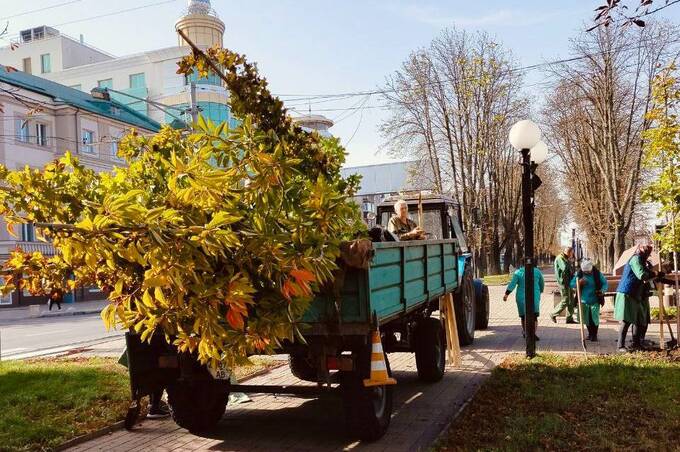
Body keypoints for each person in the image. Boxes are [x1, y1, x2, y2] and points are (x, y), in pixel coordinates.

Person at [615, 244, 657, 352]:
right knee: (627, 320)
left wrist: (655, 274)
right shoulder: (635, 259)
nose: (647, 256)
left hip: (636, 294)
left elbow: (647, 274)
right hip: (627, 292)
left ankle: (636, 344)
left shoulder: (643, 261)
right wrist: (654, 273)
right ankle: (620, 346)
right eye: (647, 253)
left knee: (638, 320)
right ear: (642, 252)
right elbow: (642, 275)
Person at [503, 265, 545, 341]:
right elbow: (542, 283)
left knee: (523, 316)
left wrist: (506, 294)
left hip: (521, 297)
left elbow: (512, 284)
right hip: (534, 296)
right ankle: (533, 334)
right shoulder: (537, 271)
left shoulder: (518, 272)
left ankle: (526, 332)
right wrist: (540, 291)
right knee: (534, 316)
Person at [570, 259, 608, 341]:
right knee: (587, 318)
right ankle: (590, 334)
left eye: (588, 271)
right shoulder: (579, 274)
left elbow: (605, 283)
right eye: (585, 272)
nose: (586, 273)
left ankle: (594, 335)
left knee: (594, 318)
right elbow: (572, 284)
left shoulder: (597, 274)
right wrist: (579, 282)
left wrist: (602, 290)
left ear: (591, 268)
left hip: (595, 299)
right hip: (584, 300)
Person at [551, 247, 576, 324]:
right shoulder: (560, 258)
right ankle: (553, 314)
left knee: (571, 300)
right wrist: (569, 262)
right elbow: (564, 268)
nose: (572, 255)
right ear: (568, 252)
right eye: (572, 253)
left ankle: (569, 318)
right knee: (566, 300)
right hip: (563, 282)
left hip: (568, 282)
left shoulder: (565, 258)